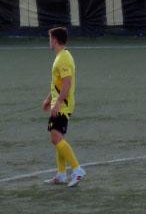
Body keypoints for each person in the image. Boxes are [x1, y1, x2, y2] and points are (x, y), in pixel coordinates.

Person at [42, 27, 86, 187]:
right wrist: (49, 99)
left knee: (55, 137)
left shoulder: (64, 58)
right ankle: (61, 174)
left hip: (63, 105)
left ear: (54, 39)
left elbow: (67, 83)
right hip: (59, 102)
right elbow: (58, 82)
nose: (49, 41)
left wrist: (58, 102)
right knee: (58, 138)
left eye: (50, 38)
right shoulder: (61, 57)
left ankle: (77, 169)